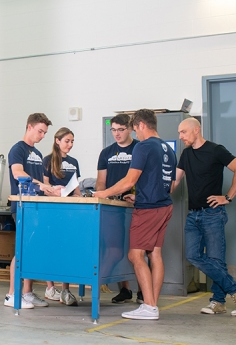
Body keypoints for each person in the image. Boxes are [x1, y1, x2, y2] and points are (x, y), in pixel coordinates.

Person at [93, 109, 176, 320]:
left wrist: (103, 193)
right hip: (164, 206)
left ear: (139, 125)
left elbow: (129, 181)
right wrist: (140, 197)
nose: (136, 134)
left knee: (134, 255)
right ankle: (152, 304)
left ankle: (149, 307)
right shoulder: (168, 148)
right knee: (154, 254)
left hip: (148, 209)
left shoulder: (144, 146)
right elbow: (170, 184)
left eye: (134, 129)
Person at [173, 117, 236, 316]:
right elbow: (175, 181)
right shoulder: (186, 154)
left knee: (216, 259)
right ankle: (235, 288)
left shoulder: (216, 150)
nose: (181, 136)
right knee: (193, 256)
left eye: (183, 132)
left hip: (213, 214)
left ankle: (218, 302)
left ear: (196, 130)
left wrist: (227, 197)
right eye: (180, 133)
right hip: (193, 215)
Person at [3, 113, 61, 309]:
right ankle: (11, 294)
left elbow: (41, 182)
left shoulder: (36, 154)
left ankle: (26, 293)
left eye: (45, 132)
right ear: (29, 127)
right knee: (21, 249)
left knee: (32, 250)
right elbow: (18, 173)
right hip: (22, 206)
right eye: (40, 131)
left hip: (37, 207)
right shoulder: (18, 149)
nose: (42, 135)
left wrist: (53, 189)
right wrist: (41, 186)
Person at [96, 114, 143, 304]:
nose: (117, 133)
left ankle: (142, 291)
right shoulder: (106, 153)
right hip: (112, 207)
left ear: (130, 129)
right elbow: (101, 182)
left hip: (136, 206)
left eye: (121, 130)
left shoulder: (140, 148)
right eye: (113, 130)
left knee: (138, 250)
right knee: (116, 248)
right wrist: (103, 196)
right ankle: (125, 290)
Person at [42, 127, 81, 306]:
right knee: (51, 246)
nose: (70, 145)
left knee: (68, 246)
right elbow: (45, 186)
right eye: (67, 141)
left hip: (69, 210)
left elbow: (77, 188)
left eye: (72, 141)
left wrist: (78, 197)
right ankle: (50, 287)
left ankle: (66, 289)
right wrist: (56, 193)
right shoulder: (48, 160)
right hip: (53, 209)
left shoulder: (74, 161)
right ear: (57, 141)